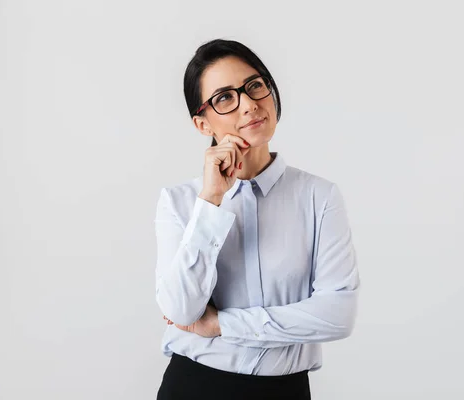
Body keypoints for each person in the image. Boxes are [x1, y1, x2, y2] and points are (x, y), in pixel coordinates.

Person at [154, 38, 360, 400]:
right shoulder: (181, 202)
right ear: (202, 124)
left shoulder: (319, 197)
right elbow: (182, 309)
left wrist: (220, 324)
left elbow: (338, 313)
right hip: (195, 386)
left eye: (254, 86)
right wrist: (213, 199)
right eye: (224, 97)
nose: (249, 104)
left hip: (285, 390)